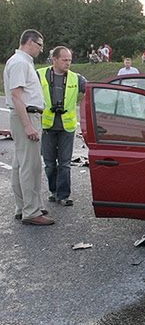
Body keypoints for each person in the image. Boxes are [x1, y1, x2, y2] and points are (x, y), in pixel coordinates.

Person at [3, 29, 54, 225]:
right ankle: (31, 212)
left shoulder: (20, 62)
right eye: (40, 45)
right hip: (27, 116)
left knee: (20, 163)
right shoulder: (20, 63)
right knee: (31, 166)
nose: (41, 50)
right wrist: (28, 126)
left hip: (26, 115)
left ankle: (23, 206)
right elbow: (16, 95)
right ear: (30, 42)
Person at [37, 46, 86, 207]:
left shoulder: (76, 78)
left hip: (67, 127)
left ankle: (64, 195)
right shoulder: (40, 75)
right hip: (47, 126)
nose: (68, 63)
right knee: (50, 164)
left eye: (70, 60)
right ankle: (54, 191)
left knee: (64, 164)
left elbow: (92, 91)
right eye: (65, 60)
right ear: (55, 60)